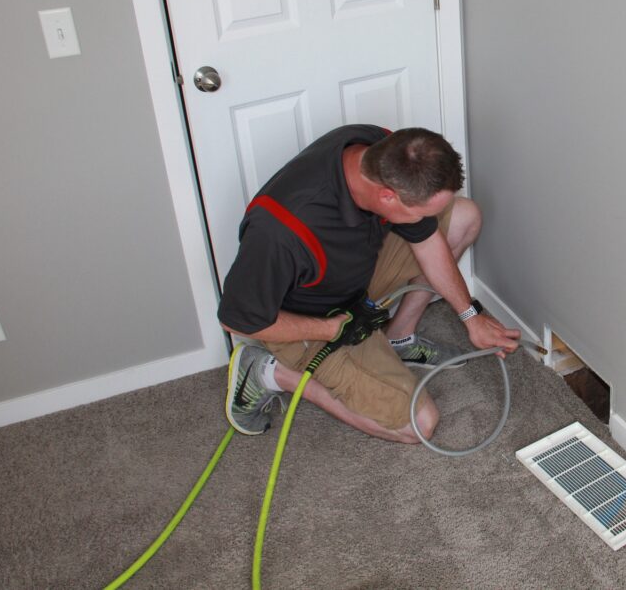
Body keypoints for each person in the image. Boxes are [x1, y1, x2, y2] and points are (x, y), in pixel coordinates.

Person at [217, 124, 521, 444]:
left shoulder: (378, 148)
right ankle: (271, 372)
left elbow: (428, 240)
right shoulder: (281, 231)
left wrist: (470, 315)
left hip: (354, 276)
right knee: (419, 424)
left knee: (463, 216)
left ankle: (399, 337)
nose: (424, 221)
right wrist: (331, 330)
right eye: (419, 214)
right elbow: (237, 319)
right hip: (306, 321)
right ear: (387, 196)